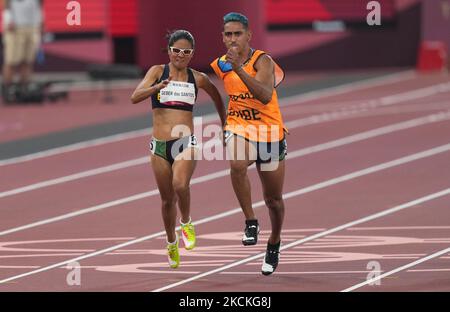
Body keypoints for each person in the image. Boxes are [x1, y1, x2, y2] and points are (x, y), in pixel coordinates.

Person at [131, 30, 226, 268]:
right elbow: (135, 96)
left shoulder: (198, 78)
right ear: (169, 51)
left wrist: (225, 125)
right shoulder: (157, 71)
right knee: (166, 201)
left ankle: (186, 222)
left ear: (192, 54)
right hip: (160, 146)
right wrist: (157, 87)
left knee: (180, 185)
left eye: (186, 52)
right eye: (176, 51)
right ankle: (171, 242)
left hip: (186, 143)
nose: (180, 56)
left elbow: (217, 97)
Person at [210, 12, 287, 275]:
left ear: (248, 35)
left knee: (274, 200)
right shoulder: (220, 64)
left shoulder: (262, 60)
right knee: (237, 164)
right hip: (240, 127)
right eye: (228, 34)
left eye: (237, 34)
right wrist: (225, 123)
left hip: (270, 133)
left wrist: (240, 69)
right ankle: (250, 221)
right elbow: (213, 91)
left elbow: (265, 95)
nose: (233, 39)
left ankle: (274, 242)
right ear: (222, 37)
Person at [2, 0, 44, 103]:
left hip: (32, 27)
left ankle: (24, 91)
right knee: (11, 61)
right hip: (15, 27)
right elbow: (6, 5)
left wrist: (40, 22)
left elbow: (39, 5)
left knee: (27, 61)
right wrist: (8, 20)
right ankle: (7, 91)